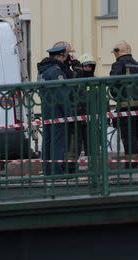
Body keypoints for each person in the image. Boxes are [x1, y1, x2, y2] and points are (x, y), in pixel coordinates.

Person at [109, 41, 138, 169]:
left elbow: (112, 83)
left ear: (117, 51)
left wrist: (117, 96)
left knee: (127, 134)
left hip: (126, 103)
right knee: (135, 132)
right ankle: (135, 160)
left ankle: (131, 163)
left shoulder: (118, 64)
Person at [37, 42, 71, 175]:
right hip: (57, 109)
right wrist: (68, 113)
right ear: (60, 56)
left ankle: (47, 170)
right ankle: (56, 172)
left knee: (47, 140)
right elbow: (62, 95)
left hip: (46, 108)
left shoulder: (43, 70)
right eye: (65, 57)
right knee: (57, 142)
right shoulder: (56, 71)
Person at [69, 53, 97, 170]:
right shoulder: (75, 80)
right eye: (85, 66)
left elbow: (100, 98)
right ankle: (70, 167)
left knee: (91, 144)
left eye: (90, 67)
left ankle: (93, 168)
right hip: (76, 117)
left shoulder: (95, 81)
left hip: (91, 117)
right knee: (74, 144)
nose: (88, 69)